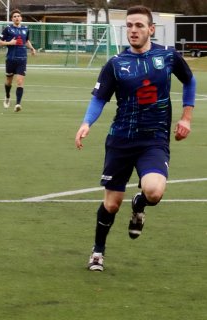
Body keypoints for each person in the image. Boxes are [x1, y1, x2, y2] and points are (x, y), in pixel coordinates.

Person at [74, 5, 196, 272]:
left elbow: (189, 80)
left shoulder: (168, 57)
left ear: (151, 29)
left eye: (139, 25)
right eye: (129, 25)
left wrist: (186, 117)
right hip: (121, 140)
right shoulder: (116, 65)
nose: (133, 30)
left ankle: (139, 203)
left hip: (154, 139)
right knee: (112, 204)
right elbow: (99, 99)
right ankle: (98, 251)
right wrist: (86, 123)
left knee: (154, 191)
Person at [0, 9, 36, 112]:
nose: (17, 18)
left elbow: (26, 41)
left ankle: (18, 104)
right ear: (12, 18)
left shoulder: (25, 29)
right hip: (11, 59)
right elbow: (0, 43)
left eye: (18, 16)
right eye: (14, 16)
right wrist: (10, 43)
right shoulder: (8, 29)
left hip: (22, 59)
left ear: (21, 18)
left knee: (20, 81)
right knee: (9, 81)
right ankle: (7, 96)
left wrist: (32, 48)